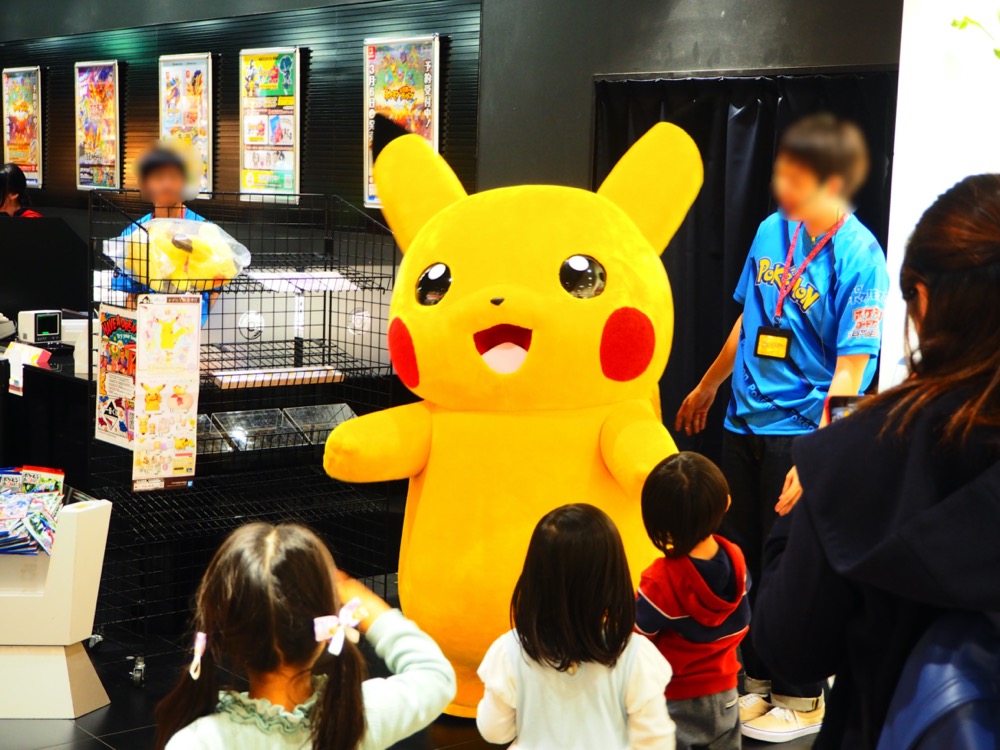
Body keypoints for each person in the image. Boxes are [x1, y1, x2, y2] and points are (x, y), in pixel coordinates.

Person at [752, 173, 1000, 749]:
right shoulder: (772, 233)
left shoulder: (863, 450)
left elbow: (791, 642)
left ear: (925, 299)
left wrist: (804, 495)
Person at [675, 113, 890, 741]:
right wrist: (710, 384)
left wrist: (824, 454)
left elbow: (854, 368)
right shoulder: (772, 231)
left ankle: (802, 692)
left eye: (797, 177)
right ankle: (755, 680)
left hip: (801, 428)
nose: (783, 188)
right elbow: (750, 323)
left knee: (793, 564)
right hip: (743, 421)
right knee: (739, 558)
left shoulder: (859, 255)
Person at [154, 522, 456, 750]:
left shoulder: (197, 741)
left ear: (229, 635)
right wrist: (363, 602)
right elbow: (435, 676)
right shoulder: (356, 719)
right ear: (328, 627)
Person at [477, 504, 676, 749]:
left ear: (534, 579)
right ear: (613, 580)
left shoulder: (510, 650)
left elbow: (494, 731)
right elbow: (655, 740)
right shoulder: (636, 655)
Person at [635, 453, 750, 750]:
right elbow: (741, 624)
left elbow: (637, 641)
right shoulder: (737, 560)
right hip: (726, 691)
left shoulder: (660, 579)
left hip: (673, 697)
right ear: (726, 502)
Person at [114, 146, 213, 322]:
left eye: (174, 177)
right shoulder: (133, 233)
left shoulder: (204, 230)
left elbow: (216, 291)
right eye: (158, 178)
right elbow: (131, 296)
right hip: (149, 332)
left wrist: (205, 332)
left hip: (195, 331)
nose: (167, 184)